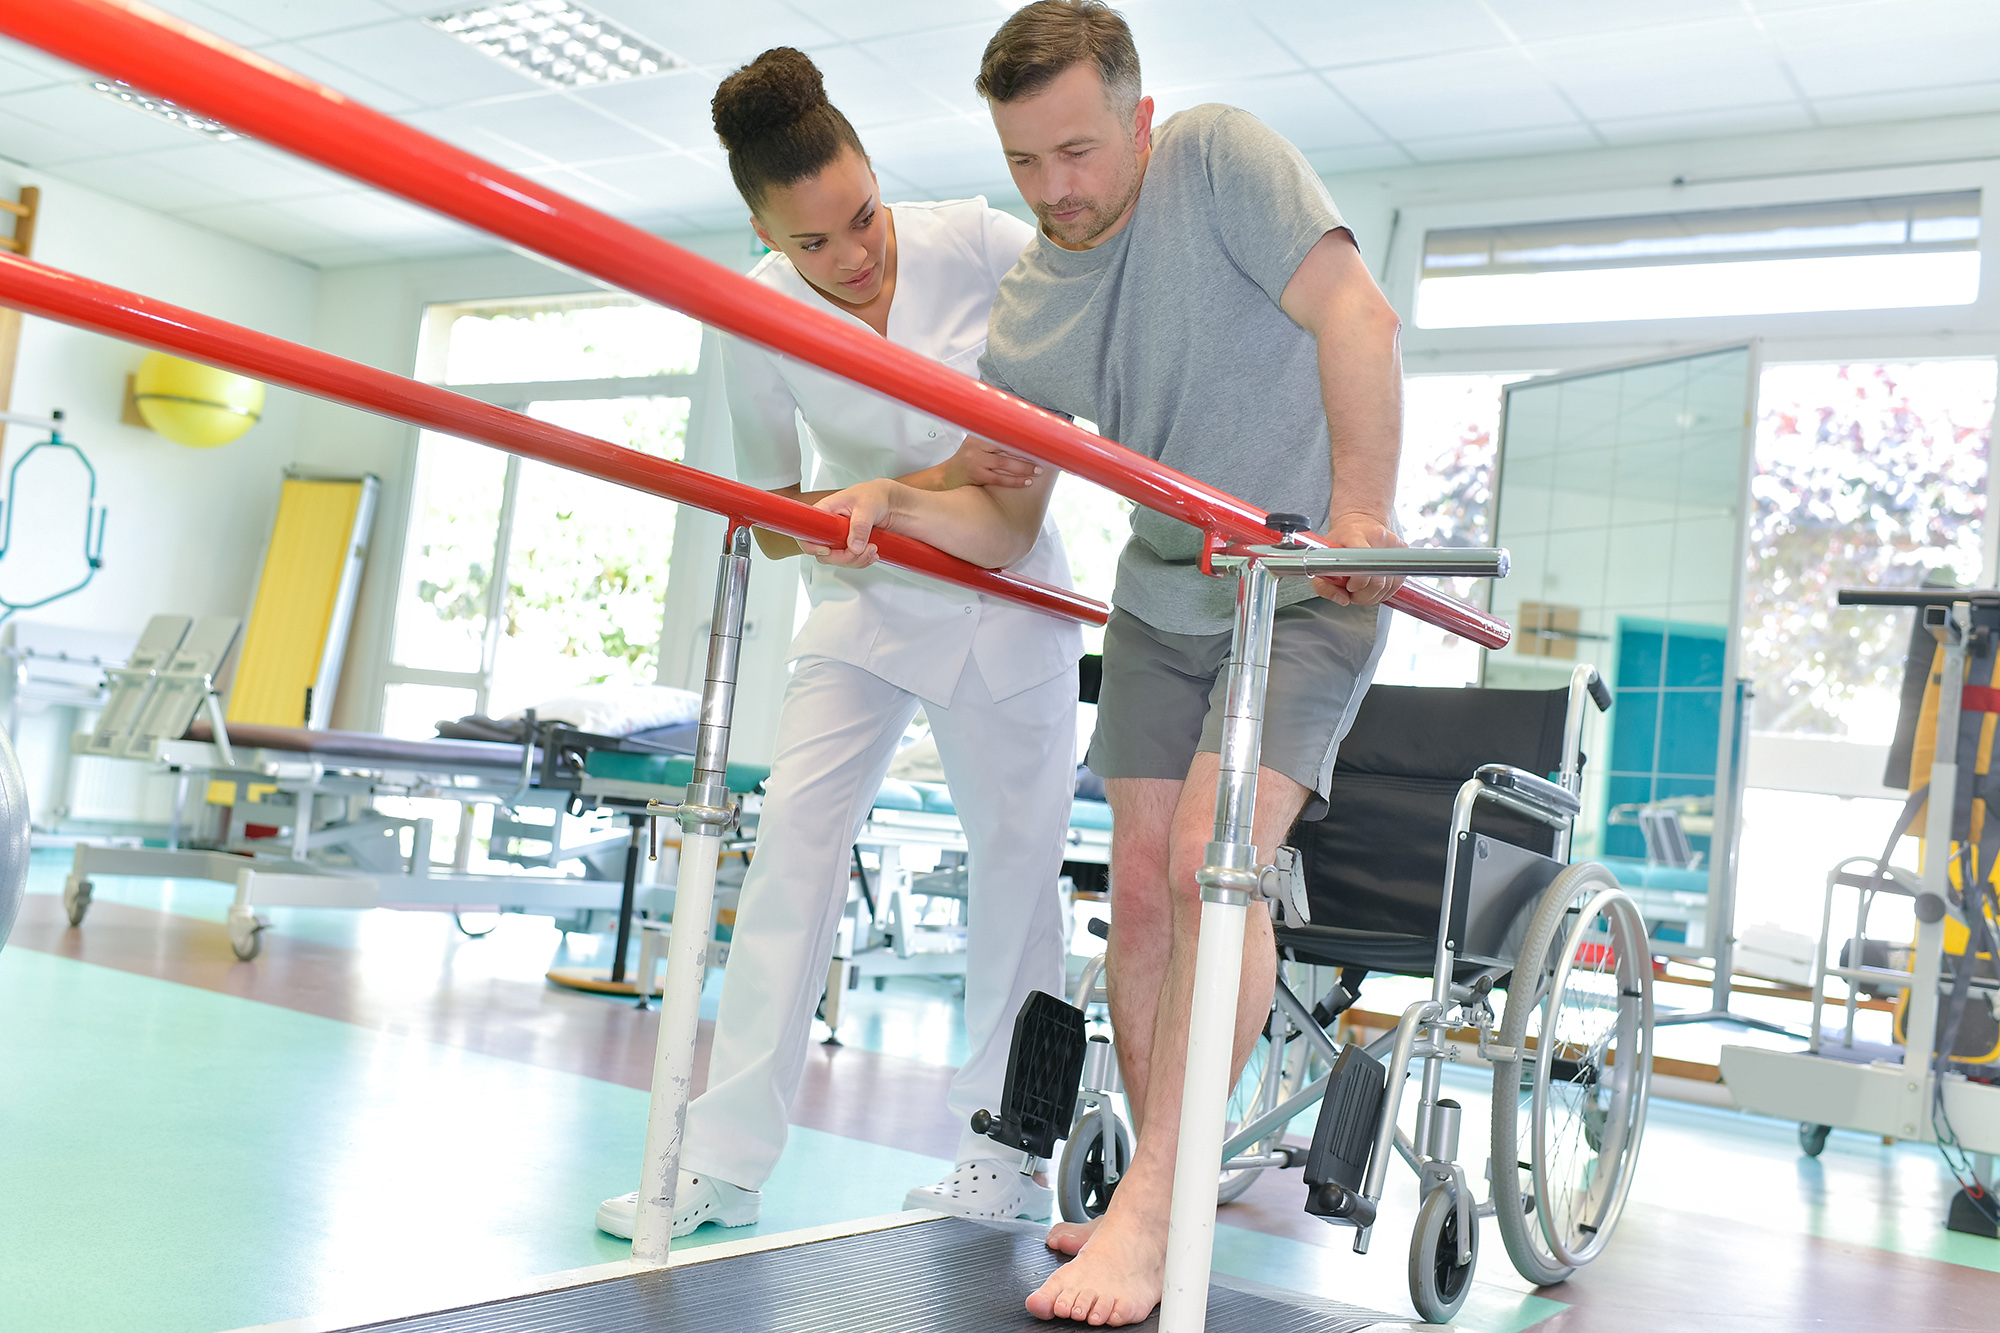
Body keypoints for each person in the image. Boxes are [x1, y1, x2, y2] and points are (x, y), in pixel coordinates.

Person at [594, 46, 1082, 1241]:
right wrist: (897, 488)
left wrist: (877, 491)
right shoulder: (752, 312)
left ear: (872, 172)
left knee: (1017, 883)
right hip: (864, 610)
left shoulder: (978, 240)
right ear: (764, 230)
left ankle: (1003, 1154)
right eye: (813, 244)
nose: (853, 257)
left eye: (861, 217)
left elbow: (1028, 468)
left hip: (1012, 598)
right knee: (789, 865)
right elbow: (769, 521)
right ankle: (721, 1159)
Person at [972, 3, 1408, 1324]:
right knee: (1147, 893)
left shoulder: (1218, 158)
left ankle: (1153, 1207)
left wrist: (1365, 515)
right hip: (1166, 592)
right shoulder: (1037, 292)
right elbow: (1000, 495)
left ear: (1141, 121)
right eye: (1026, 164)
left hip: (1300, 573)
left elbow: (1357, 313)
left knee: (1214, 874)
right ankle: (1163, 1194)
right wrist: (875, 506)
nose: (1059, 190)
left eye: (1081, 152)